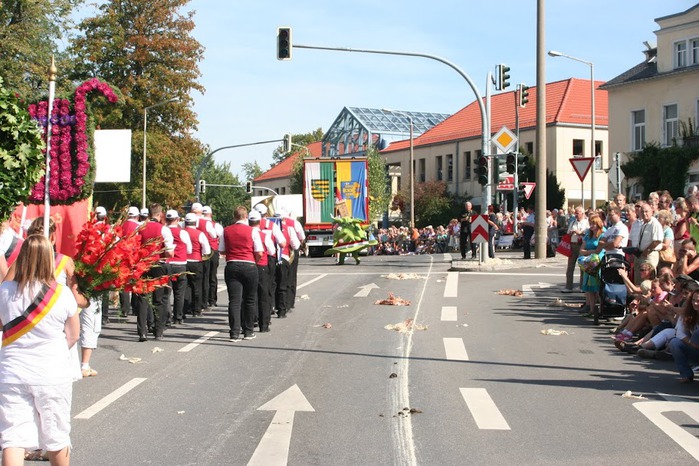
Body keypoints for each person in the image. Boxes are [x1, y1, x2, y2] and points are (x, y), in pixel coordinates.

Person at [0, 235, 80, 466]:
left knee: (13, 437)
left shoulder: (4, 290)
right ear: (50, 259)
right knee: (56, 435)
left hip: (11, 372)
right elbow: (73, 335)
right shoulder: (61, 293)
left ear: (22, 258)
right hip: (51, 373)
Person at [220, 206, 264, 341]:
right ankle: (248, 331)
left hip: (232, 265)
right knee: (250, 300)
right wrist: (253, 262)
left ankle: (234, 332)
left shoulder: (226, 230)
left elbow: (221, 250)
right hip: (249, 265)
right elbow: (259, 252)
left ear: (234, 217)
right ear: (246, 217)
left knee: (234, 300)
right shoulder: (252, 231)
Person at [136, 204, 174, 341]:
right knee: (159, 299)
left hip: (143, 265)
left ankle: (142, 332)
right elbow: (169, 252)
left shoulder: (139, 227)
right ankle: (158, 331)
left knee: (143, 298)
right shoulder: (164, 229)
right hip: (158, 264)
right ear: (160, 214)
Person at [249, 210, 275, 333]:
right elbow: (272, 250)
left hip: (249, 265)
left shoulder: (246, 233)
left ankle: (251, 320)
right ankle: (264, 324)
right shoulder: (264, 235)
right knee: (263, 295)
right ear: (259, 222)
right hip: (261, 265)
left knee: (250, 295)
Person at [164, 210, 191, 325]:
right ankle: (178, 316)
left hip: (167, 264)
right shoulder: (182, 232)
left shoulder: (163, 231)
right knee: (179, 293)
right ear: (177, 219)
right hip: (180, 264)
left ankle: (167, 316)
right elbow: (189, 249)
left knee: (166, 293)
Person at [668, 288, 699, 383]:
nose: (695, 303)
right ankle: (686, 375)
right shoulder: (687, 313)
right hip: (696, 350)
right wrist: (692, 344)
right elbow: (679, 333)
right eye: (693, 300)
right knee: (674, 342)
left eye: (698, 301)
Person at [184, 213, 210, 318]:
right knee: (197, 286)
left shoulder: (182, 232)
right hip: (196, 261)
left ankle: (185, 309)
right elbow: (206, 250)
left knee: (186, 287)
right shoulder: (199, 234)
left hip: (184, 261)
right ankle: (196, 310)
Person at [578, 215, 605, 315]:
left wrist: (588, 252)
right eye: (590, 223)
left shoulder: (603, 234)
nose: (592, 226)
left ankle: (599, 309)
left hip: (597, 262)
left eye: (594, 223)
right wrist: (590, 252)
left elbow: (599, 251)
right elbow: (581, 250)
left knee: (597, 287)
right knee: (588, 287)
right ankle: (591, 309)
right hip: (587, 261)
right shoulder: (588, 234)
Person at [633, 202, 663, 284]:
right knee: (639, 280)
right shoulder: (644, 224)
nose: (644, 213)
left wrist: (647, 250)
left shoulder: (655, 224)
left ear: (652, 212)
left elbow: (657, 240)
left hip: (649, 254)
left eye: (646, 211)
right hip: (641, 254)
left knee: (647, 280)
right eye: (642, 211)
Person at [202, 206, 223, 308]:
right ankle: (212, 300)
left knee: (204, 276)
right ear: (211, 214)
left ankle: (203, 300)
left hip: (202, 252)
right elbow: (219, 236)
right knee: (212, 276)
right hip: (213, 251)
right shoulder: (216, 225)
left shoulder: (198, 223)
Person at [564, 206, 589, 292]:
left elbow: (588, 233)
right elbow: (568, 233)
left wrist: (580, 233)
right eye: (575, 213)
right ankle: (568, 286)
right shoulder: (573, 222)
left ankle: (582, 286)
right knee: (570, 266)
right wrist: (571, 233)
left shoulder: (586, 223)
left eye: (577, 213)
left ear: (582, 213)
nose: (576, 215)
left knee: (582, 266)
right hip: (573, 245)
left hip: (582, 245)